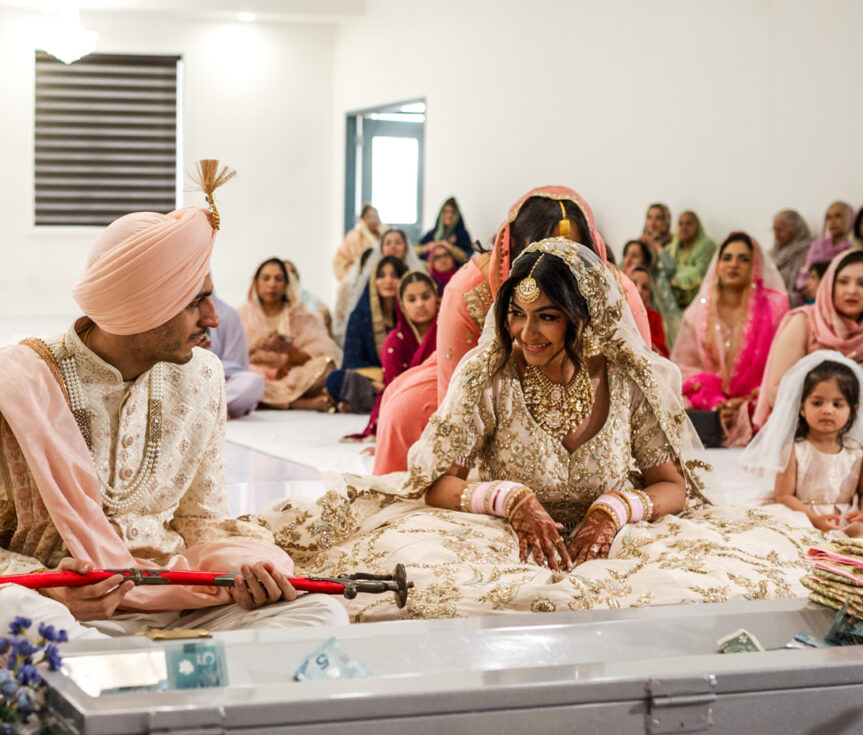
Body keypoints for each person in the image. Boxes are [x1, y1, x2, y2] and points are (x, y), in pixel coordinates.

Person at [254, 238, 813, 618]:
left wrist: (612, 510)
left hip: (616, 537)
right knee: (424, 590)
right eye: (517, 315)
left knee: (715, 589)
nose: (526, 333)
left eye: (546, 315)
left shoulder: (624, 376)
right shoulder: (489, 371)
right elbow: (437, 483)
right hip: (501, 533)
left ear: (582, 315)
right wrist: (512, 499)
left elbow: (672, 485)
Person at [0, 162, 347, 665]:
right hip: (62, 612)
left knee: (321, 616)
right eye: (196, 302)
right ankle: (143, 673)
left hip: (175, 602)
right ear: (141, 306)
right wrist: (50, 589)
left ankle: (128, 672)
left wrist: (244, 573)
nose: (214, 319)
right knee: (12, 610)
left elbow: (202, 521)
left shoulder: (201, 378)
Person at [369, 186, 651, 475]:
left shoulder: (615, 290)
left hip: (582, 376)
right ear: (515, 245)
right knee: (405, 412)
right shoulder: (469, 289)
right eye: (543, 253)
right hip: (485, 378)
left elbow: (644, 383)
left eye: (573, 255)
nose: (559, 270)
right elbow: (457, 393)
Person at [671, 232, 789, 447]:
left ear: (755, 265)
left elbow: (783, 366)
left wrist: (744, 401)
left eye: (744, 259)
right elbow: (684, 366)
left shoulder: (775, 307)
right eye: (727, 258)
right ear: (717, 263)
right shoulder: (697, 313)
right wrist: (716, 401)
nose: (734, 264)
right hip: (708, 408)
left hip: (758, 406)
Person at [743, 355, 863, 536]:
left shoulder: (857, 452)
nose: (827, 410)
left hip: (843, 521)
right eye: (817, 403)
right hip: (801, 517)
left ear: (852, 410)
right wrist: (813, 519)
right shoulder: (795, 450)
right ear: (802, 408)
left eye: (837, 404)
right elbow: (784, 496)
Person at [755, 248, 863, 429]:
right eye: (843, 282)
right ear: (829, 284)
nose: (852, 290)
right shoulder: (805, 322)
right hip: (803, 428)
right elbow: (775, 391)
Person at [347, 269, 438, 441]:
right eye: (412, 299)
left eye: (425, 297)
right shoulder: (395, 341)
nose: (420, 304)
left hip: (442, 404)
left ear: (436, 298)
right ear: (402, 306)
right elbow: (393, 388)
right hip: (405, 406)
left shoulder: (447, 332)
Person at [240, 257, 336, 411]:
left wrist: (291, 353)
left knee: (326, 366)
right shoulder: (241, 314)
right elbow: (231, 358)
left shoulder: (302, 314)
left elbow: (321, 350)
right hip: (257, 374)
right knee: (247, 379)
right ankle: (297, 403)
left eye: (278, 279)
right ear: (256, 282)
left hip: (291, 374)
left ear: (286, 284)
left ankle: (272, 402)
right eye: (266, 278)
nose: (272, 284)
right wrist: (255, 347)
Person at [328, 252, 405, 406]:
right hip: (374, 380)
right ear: (373, 281)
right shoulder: (359, 315)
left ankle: (369, 402)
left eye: (395, 275)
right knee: (335, 379)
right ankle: (386, 397)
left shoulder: (409, 314)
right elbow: (351, 361)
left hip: (402, 376)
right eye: (382, 275)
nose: (388, 281)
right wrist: (379, 381)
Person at [335, 227, 418, 344]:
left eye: (398, 242)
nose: (388, 281)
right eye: (388, 243)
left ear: (406, 247)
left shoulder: (417, 278)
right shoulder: (369, 280)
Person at [653, 210, 716, 345]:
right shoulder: (672, 247)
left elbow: (701, 272)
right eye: (680, 224)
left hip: (698, 304)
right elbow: (661, 271)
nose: (684, 227)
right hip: (672, 302)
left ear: (697, 226)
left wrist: (674, 278)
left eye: (689, 223)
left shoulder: (707, 246)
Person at [203, 293, 263, 418]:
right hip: (182, 382)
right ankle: (212, 408)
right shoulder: (172, 312)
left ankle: (208, 408)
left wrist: (211, 371)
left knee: (253, 382)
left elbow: (236, 364)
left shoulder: (227, 313)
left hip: (218, 383)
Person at [621, 239, 672, 357]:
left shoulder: (654, 317)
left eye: (645, 287)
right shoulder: (616, 313)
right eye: (633, 284)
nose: (639, 290)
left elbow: (661, 352)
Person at [799, 201, 855, 294]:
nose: (832, 221)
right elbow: (807, 270)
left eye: (838, 216)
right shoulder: (818, 245)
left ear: (850, 219)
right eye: (829, 217)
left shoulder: (855, 246)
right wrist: (805, 286)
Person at [769, 209, 813, 306]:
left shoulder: (808, 251)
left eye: (780, 229)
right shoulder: (772, 253)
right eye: (774, 229)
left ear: (795, 229)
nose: (776, 234)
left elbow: (803, 288)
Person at [332, 204, 383, 286]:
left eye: (375, 216)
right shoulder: (355, 236)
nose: (373, 220)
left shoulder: (383, 235)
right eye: (369, 216)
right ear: (363, 219)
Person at [418, 196, 474, 264]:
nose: (449, 215)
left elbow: (466, 257)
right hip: (430, 270)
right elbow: (415, 251)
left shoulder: (462, 234)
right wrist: (428, 246)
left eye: (452, 212)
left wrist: (447, 246)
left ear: (457, 215)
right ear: (441, 214)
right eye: (446, 212)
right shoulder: (432, 233)